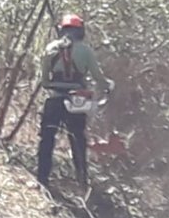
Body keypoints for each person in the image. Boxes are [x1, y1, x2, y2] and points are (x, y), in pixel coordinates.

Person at [36, 13, 113, 191]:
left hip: (54, 100)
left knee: (47, 140)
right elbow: (98, 77)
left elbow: (44, 81)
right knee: (78, 140)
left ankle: (42, 179)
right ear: (80, 31)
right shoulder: (86, 51)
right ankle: (82, 182)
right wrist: (107, 86)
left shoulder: (50, 48)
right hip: (77, 102)